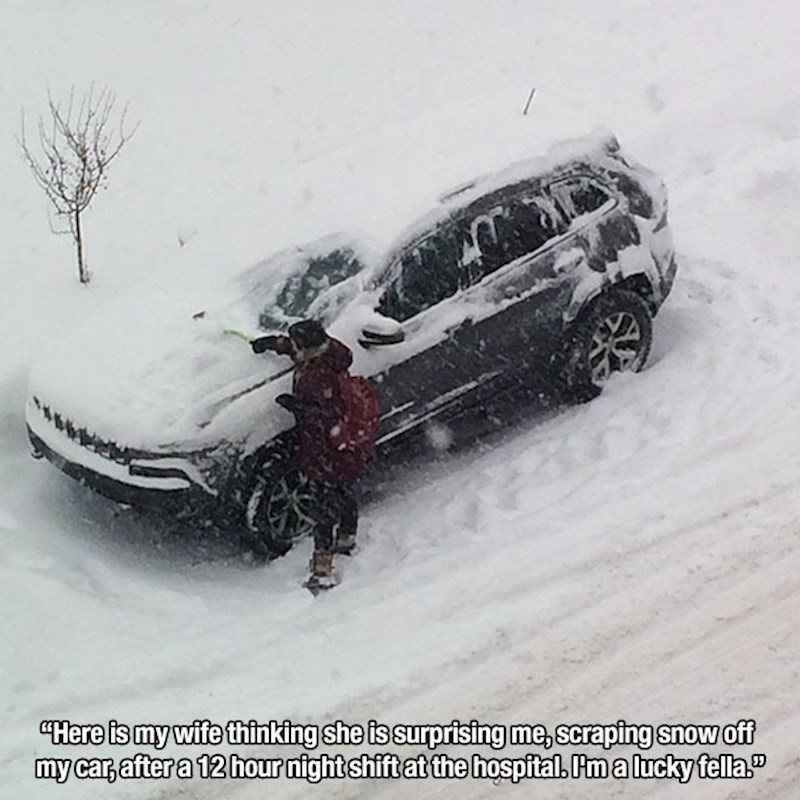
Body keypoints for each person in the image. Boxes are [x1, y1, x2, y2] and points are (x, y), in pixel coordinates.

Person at [250, 320, 367, 590]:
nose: (294, 347)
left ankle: (322, 570)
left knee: (321, 506)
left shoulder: (322, 376)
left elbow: (328, 416)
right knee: (342, 491)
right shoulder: (325, 351)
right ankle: (347, 537)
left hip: (327, 449)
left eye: (297, 343)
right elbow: (292, 348)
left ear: (308, 346)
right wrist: (270, 343)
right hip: (340, 448)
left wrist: (298, 408)